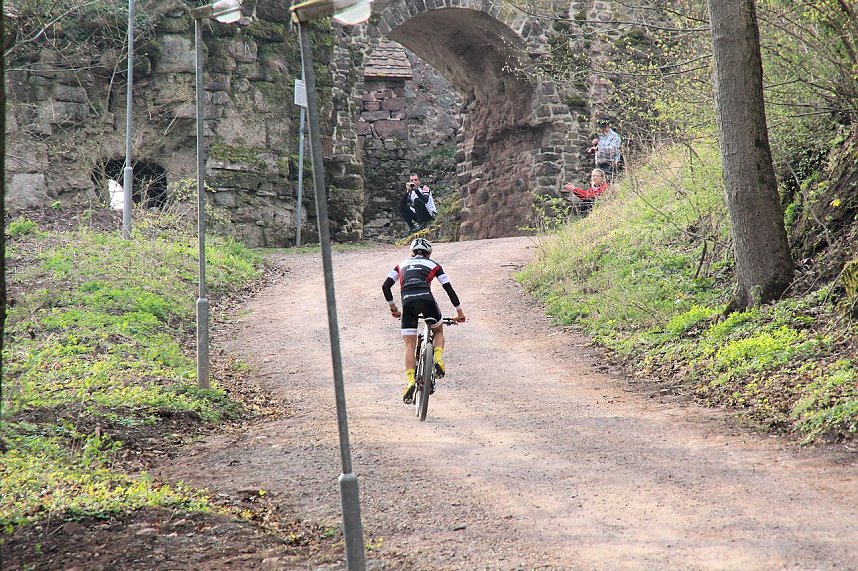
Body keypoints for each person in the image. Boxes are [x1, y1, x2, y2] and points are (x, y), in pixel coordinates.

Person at [382, 238, 466, 404]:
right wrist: (459, 312)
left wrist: (393, 308)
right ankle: (437, 359)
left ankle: (411, 381)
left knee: (409, 345)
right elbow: (449, 289)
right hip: (427, 300)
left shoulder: (401, 265)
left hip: (408, 302)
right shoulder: (433, 264)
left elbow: (385, 286)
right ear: (428, 254)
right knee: (438, 331)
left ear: (412, 252)